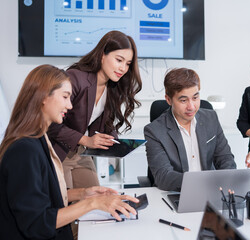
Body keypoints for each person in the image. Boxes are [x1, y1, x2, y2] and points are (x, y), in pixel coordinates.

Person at [0, 65, 139, 239]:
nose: (70, 105)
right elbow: (37, 223)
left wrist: (84, 193)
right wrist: (93, 203)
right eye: (65, 97)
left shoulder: (39, 139)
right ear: (43, 96)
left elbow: (44, 195)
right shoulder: (24, 150)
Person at [47, 30, 142, 189]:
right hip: (57, 151)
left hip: (81, 153)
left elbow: (105, 123)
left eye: (127, 64)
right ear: (102, 55)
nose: (123, 68)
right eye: (119, 60)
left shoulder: (112, 86)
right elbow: (51, 124)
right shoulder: (75, 78)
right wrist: (86, 140)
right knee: (66, 205)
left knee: (97, 200)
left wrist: (113, 141)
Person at [144, 68, 236, 191]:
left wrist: (226, 181)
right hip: (176, 192)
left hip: (212, 190)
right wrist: (201, 183)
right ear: (168, 100)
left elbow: (226, 158)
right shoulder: (154, 131)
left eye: (195, 97)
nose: (191, 107)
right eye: (183, 100)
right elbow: (164, 177)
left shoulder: (211, 118)